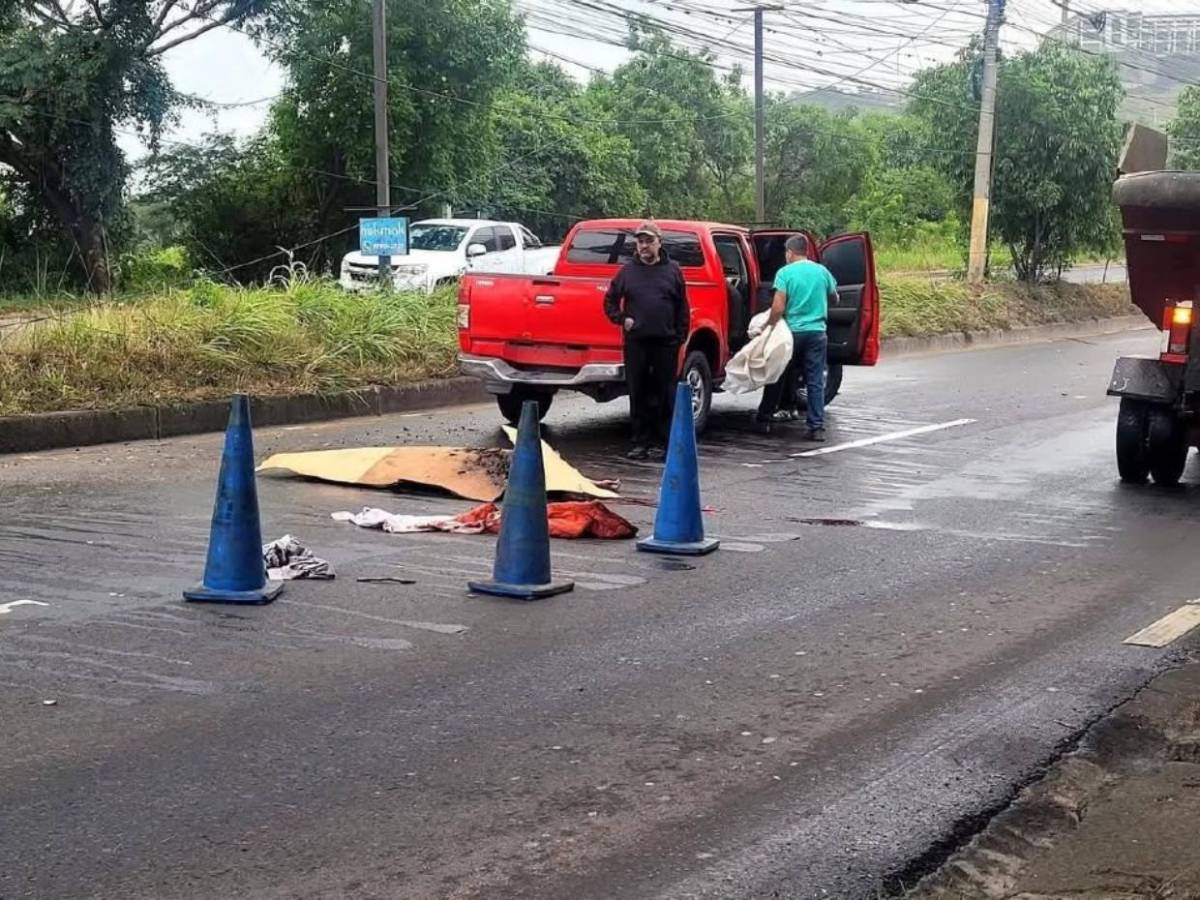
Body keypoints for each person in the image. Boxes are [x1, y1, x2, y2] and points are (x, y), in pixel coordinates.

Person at [604, 221, 690, 460]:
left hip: (665, 343)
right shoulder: (627, 272)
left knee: (665, 393)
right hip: (637, 343)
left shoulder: (673, 270)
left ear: (659, 242)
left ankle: (664, 443)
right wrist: (622, 319)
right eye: (640, 242)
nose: (644, 246)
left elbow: (682, 307)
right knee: (638, 391)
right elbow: (609, 301)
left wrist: (679, 336)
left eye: (649, 241)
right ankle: (640, 442)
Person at [756, 235, 838, 442]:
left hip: (791, 334)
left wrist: (769, 325)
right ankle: (816, 427)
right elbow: (835, 297)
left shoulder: (784, 273)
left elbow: (778, 307)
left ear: (790, 252)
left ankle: (765, 417)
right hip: (817, 333)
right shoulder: (822, 271)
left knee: (777, 373)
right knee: (815, 380)